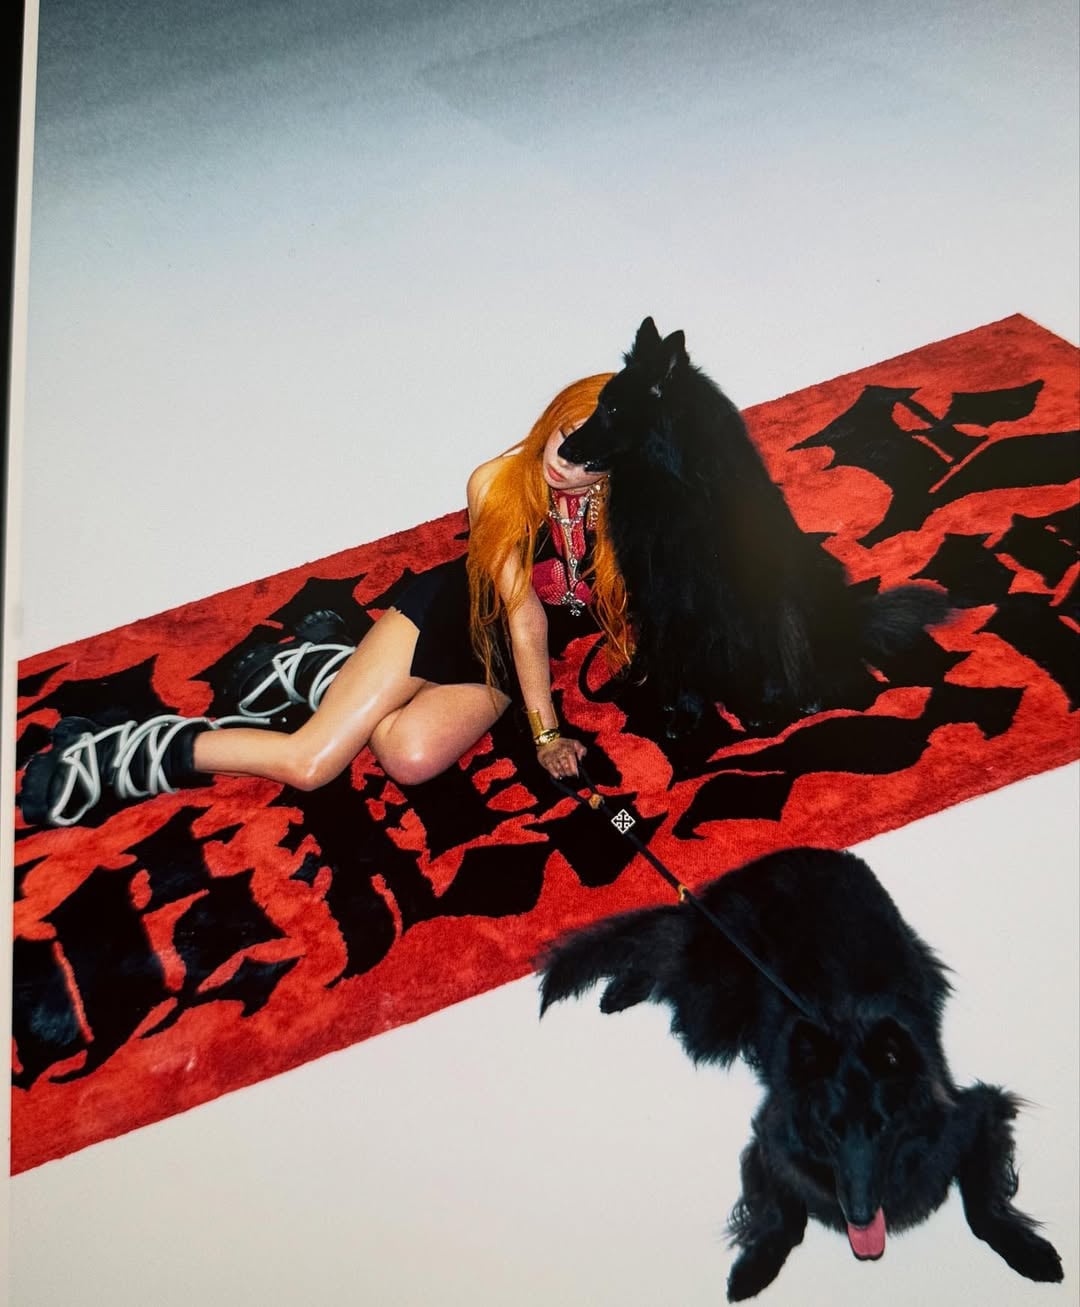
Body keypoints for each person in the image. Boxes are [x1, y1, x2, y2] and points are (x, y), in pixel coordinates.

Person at [19, 374, 634, 828]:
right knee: (311, 763)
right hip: (447, 619)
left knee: (409, 756)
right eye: (566, 437)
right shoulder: (497, 480)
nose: (566, 463)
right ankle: (118, 752)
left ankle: (330, 666)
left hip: (499, 662)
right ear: (555, 416)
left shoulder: (626, 515)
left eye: (591, 461)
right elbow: (523, 615)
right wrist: (546, 734)